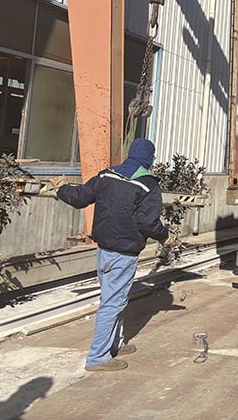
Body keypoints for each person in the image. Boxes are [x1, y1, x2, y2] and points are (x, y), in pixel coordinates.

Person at [51, 138, 176, 372]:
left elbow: (79, 197)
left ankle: (115, 343)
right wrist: (166, 236)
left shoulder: (106, 175)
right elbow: (148, 223)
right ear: (150, 159)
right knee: (112, 302)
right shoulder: (148, 185)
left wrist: (61, 189)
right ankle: (98, 357)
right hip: (124, 252)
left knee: (114, 298)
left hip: (104, 249)